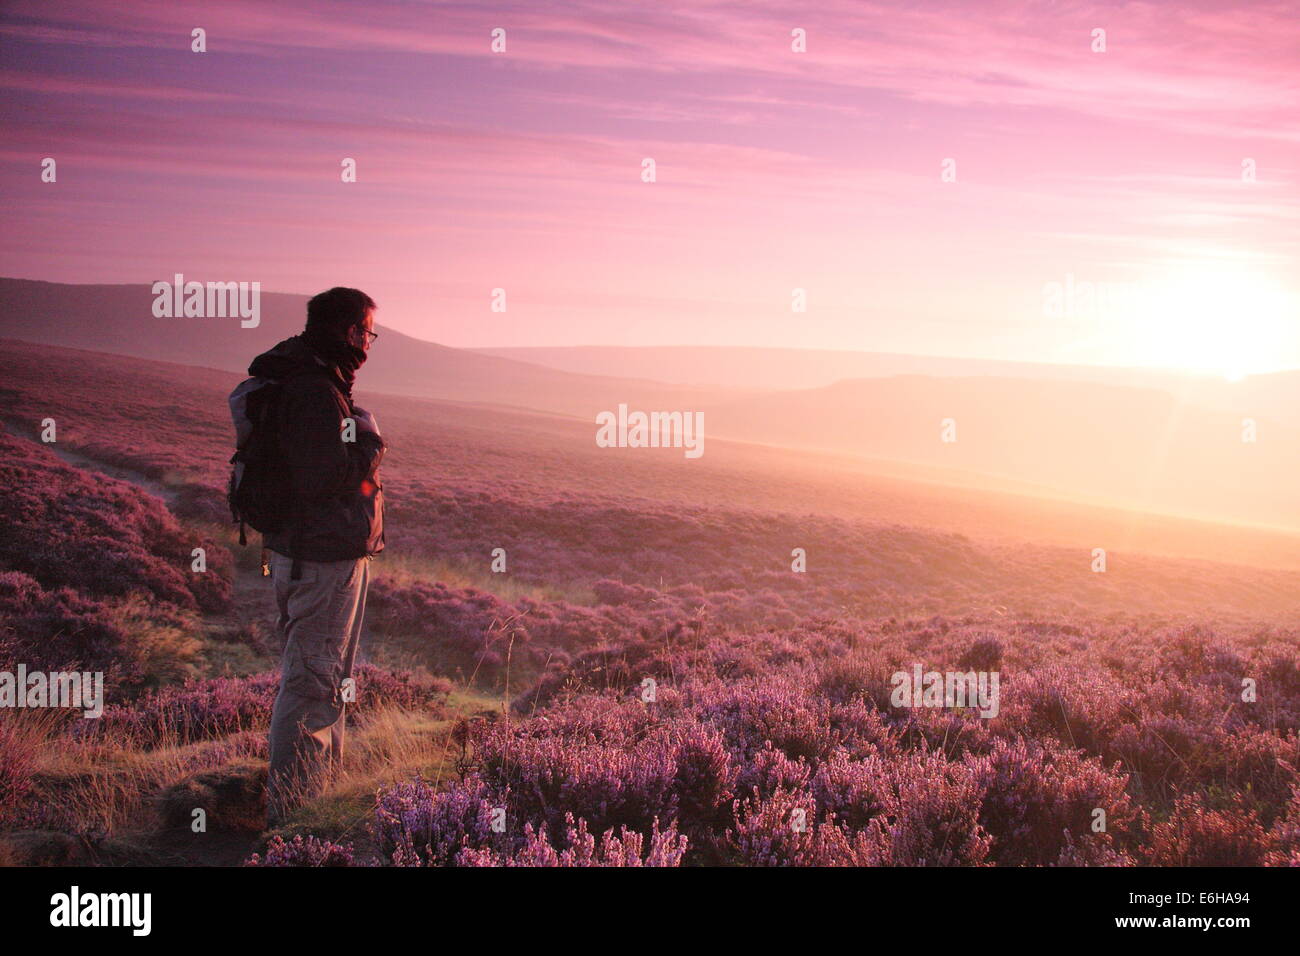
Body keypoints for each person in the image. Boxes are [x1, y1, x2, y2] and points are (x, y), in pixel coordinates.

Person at [247, 287, 385, 827]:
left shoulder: (307, 376)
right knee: (311, 682)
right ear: (351, 331)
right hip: (321, 558)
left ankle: (319, 801)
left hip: (312, 553)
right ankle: (297, 821)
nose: (368, 343)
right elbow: (322, 476)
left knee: (321, 678)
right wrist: (371, 444)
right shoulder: (314, 389)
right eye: (367, 332)